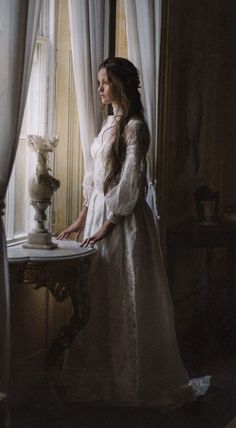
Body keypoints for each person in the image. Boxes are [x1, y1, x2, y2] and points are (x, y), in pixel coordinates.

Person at [57, 57, 209, 407]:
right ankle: (100, 379)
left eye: (105, 83)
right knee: (99, 295)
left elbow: (132, 185)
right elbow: (97, 177)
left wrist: (109, 224)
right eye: (98, 82)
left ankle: (133, 383)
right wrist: (83, 218)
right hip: (99, 213)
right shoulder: (110, 123)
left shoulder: (135, 127)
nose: (99, 89)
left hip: (123, 221)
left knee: (126, 292)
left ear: (121, 85)